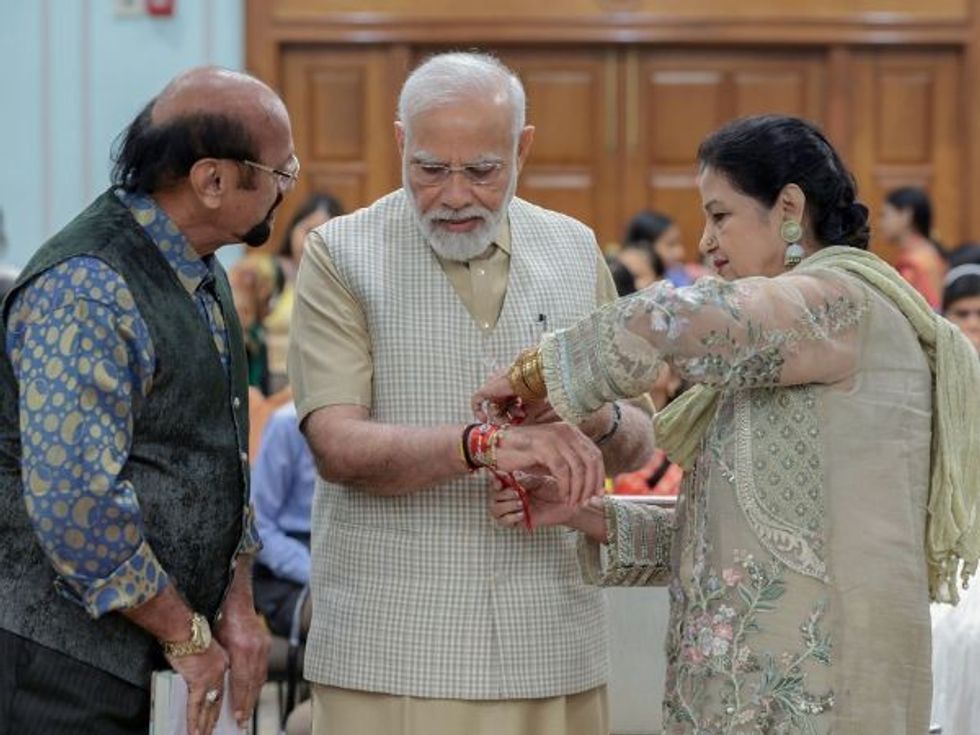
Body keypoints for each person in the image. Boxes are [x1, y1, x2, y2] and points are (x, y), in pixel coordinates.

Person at [479, 114, 980, 733]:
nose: (706, 242)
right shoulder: (781, 352)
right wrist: (583, 512)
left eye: (720, 216)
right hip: (746, 695)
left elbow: (668, 318)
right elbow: (731, 535)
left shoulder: (840, 304)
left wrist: (538, 375)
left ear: (789, 208)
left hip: (830, 697)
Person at [288, 51, 655, 735]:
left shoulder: (576, 251)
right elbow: (336, 445)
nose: (455, 194)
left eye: (483, 170)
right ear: (401, 143)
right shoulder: (341, 254)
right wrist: (488, 445)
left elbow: (638, 435)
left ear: (523, 149)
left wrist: (588, 415)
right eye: (430, 169)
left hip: (550, 643)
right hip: (392, 653)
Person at [0, 67, 299, 735]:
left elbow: (216, 455)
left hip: (150, 650)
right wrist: (187, 634)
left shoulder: (200, 270)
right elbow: (74, 500)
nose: (288, 187)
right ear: (212, 180)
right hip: (57, 658)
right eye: (281, 171)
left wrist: (238, 607)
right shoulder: (90, 287)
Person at [929, 264, 980, 734]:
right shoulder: (928, 387)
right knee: (945, 629)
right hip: (947, 538)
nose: (973, 324)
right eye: (962, 313)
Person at [264, 193, 344, 394]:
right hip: (267, 384)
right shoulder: (267, 275)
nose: (313, 242)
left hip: (322, 387)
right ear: (293, 229)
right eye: (308, 230)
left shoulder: (344, 283)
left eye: (326, 232)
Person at [251, 401, 316, 639]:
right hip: (288, 577)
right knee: (344, 615)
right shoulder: (287, 424)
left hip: (350, 566)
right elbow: (258, 527)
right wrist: (316, 572)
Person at [879, 186, 947, 309]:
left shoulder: (913, 264)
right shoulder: (929, 252)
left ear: (906, 215)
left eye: (885, 215)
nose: (881, 223)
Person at [624, 210, 694, 287]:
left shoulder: (676, 275)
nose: (680, 252)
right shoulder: (634, 286)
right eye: (671, 244)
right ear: (644, 248)